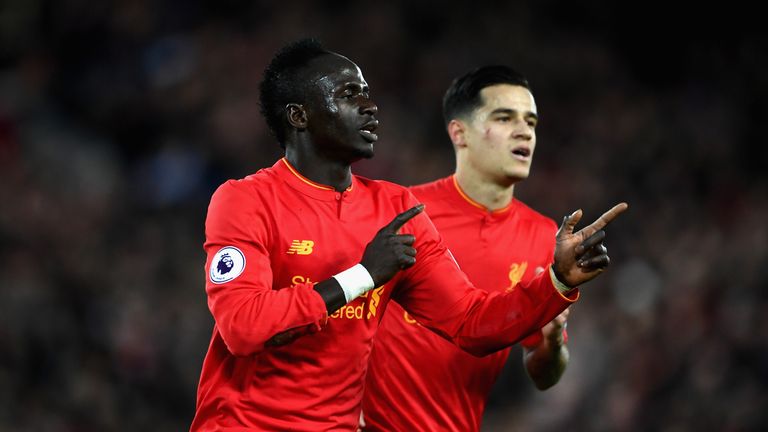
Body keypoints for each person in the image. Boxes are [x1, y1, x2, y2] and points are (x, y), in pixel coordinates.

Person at [189, 38, 626, 431]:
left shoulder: (394, 209)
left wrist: (557, 280)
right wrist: (362, 275)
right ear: (299, 116)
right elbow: (243, 327)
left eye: (366, 91)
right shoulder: (244, 200)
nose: (369, 106)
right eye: (348, 94)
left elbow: (472, 323)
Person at [363, 65, 575, 431]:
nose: (524, 130)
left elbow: (543, 375)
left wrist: (553, 343)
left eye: (531, 121)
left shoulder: (544, 236)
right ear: (459, 132)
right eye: (505, 118)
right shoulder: (404, 211)